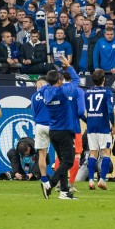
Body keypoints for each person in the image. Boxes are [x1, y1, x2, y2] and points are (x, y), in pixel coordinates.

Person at [41, 57, 82, 200]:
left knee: (63, 160)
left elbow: (50, 83)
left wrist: (61, 70)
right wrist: (69, 67)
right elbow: (77, 81)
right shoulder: (63, 91)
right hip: (64, 131)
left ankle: (64, 192)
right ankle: (50, 184)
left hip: (53, 131)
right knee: (69, 161)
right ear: (59, 81)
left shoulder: (45, 92)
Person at [83, 69, 115, 189]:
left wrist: (89, 120)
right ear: (104, 80)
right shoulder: (107, 92)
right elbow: (110, 110)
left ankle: (91, 180)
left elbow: (82, 111)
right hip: (103, 126)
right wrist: (114, 125)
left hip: (91, 127)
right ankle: (102, 179)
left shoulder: (87, 93)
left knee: (93, 154)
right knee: (106, 153)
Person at [29, 74, 51, 192]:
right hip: (53, 125)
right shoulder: (52, 91)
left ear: (41, 84)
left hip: (40, 125)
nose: (36, 87)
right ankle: (61, 181)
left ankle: (44, 181)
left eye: (37, 85)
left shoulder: (33, 96)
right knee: (61, 154)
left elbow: (34, 112)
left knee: (41, 155)